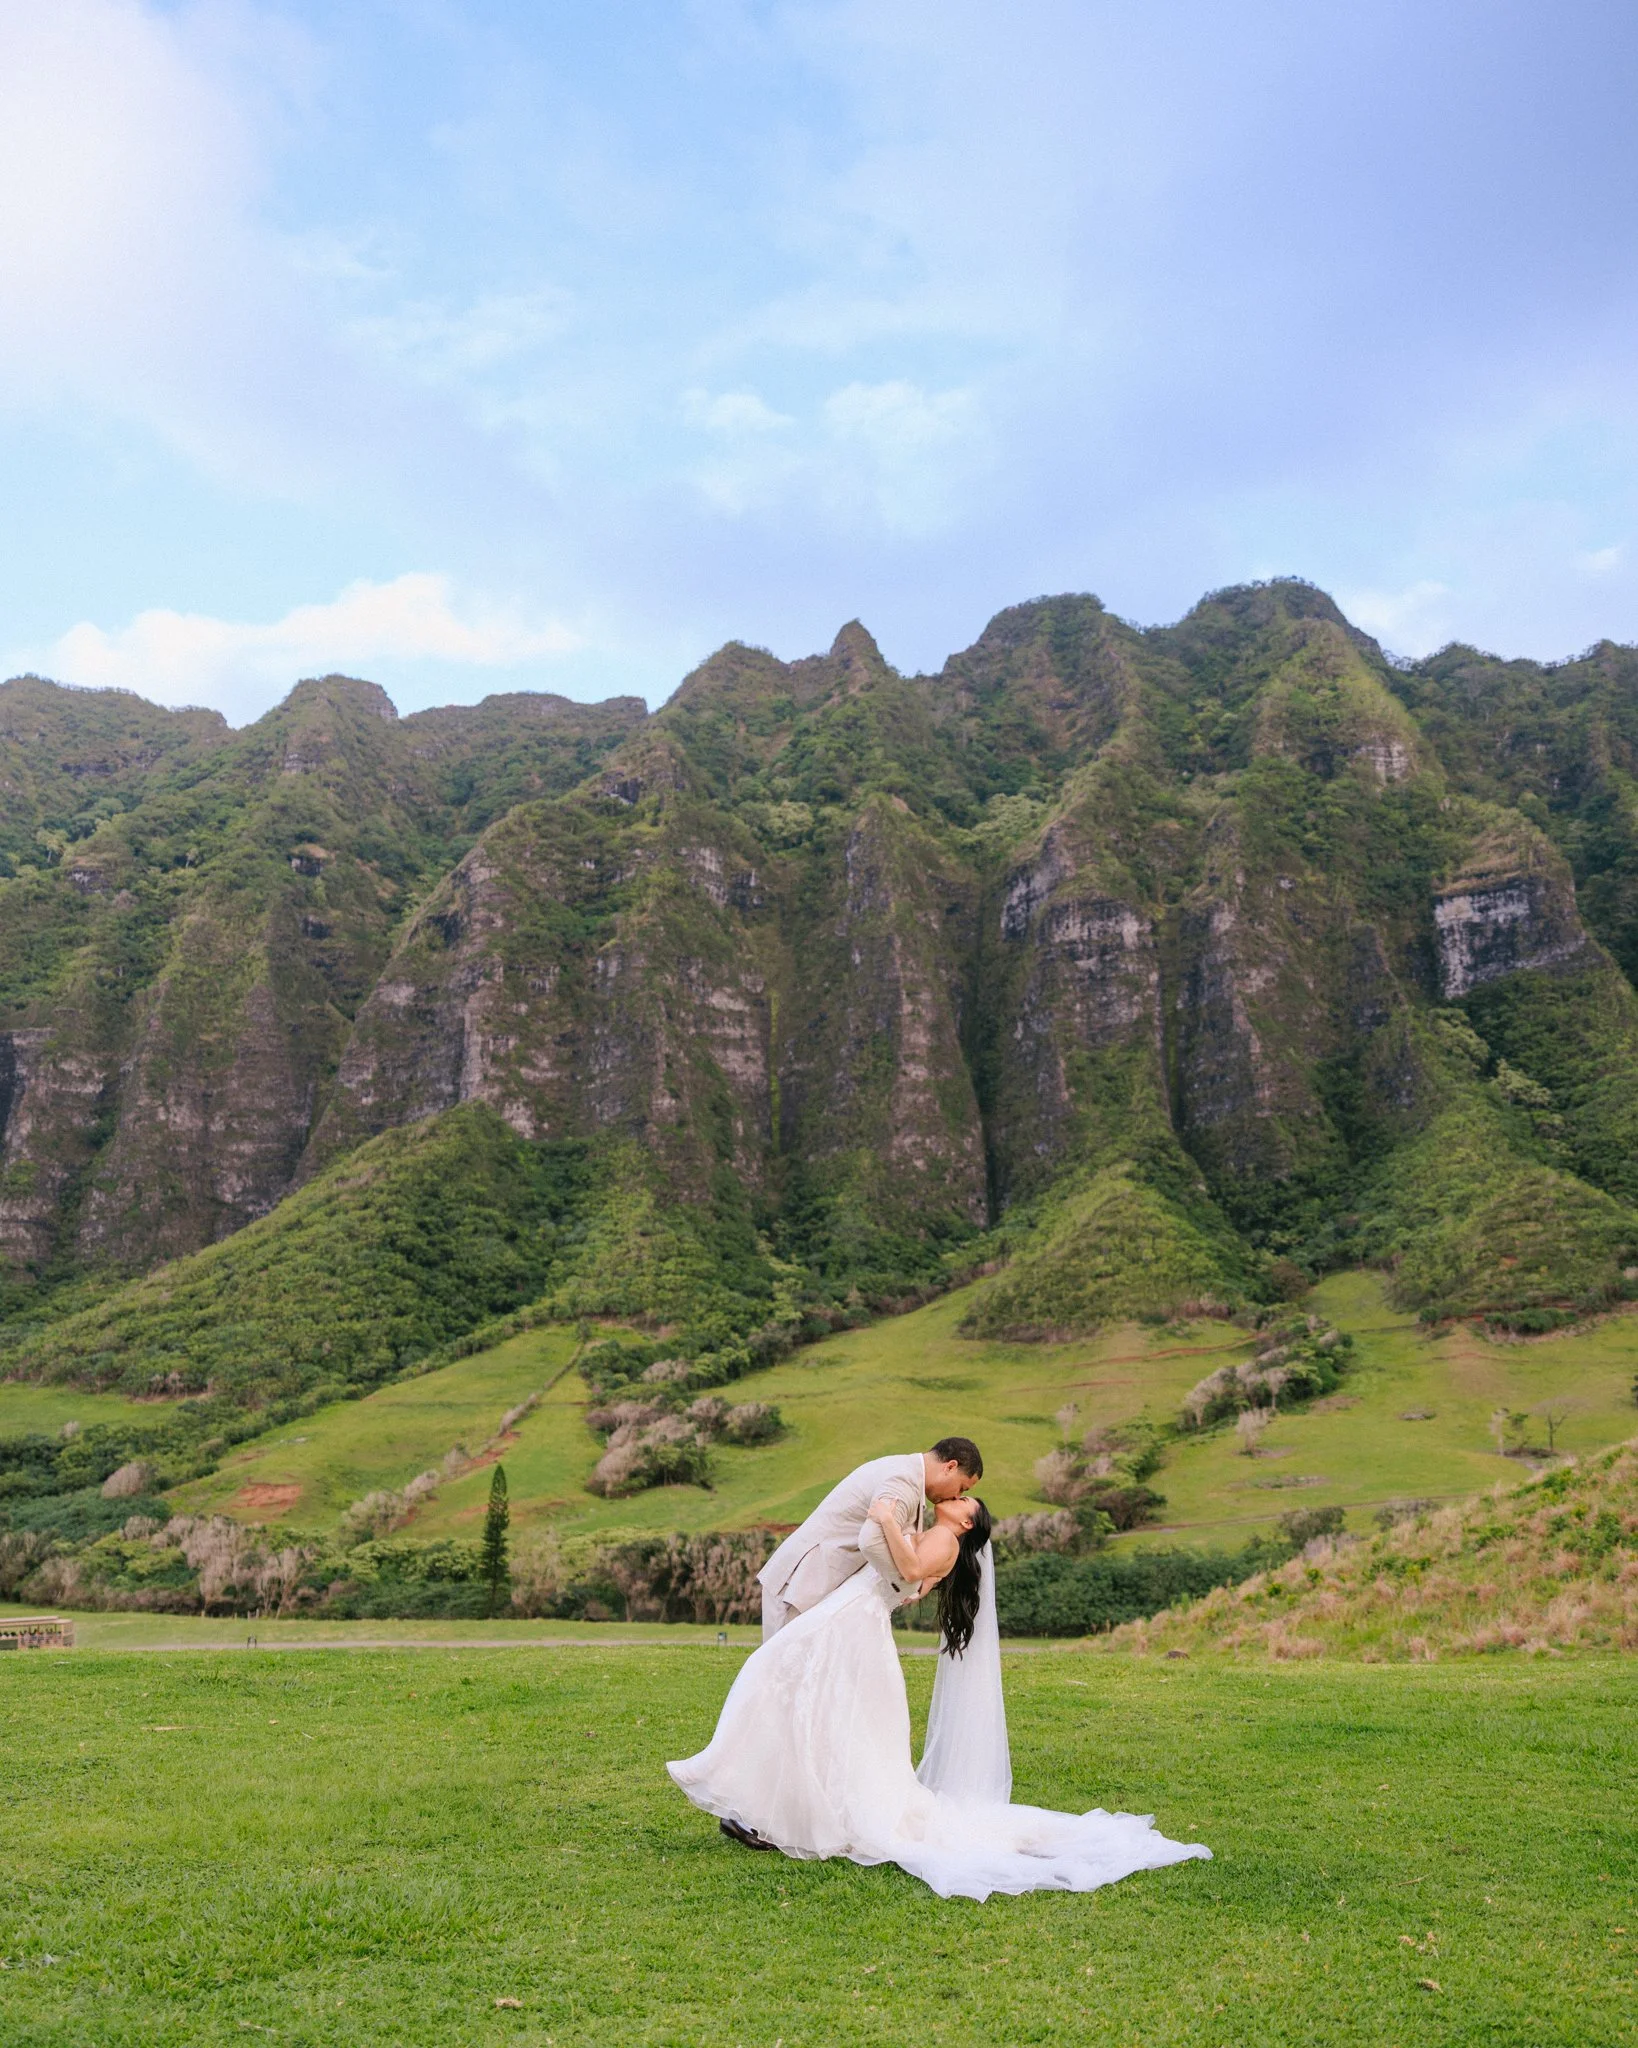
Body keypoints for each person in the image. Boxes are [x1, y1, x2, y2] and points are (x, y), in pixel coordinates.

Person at [668, 1481, 1211, 1901]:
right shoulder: (940, 1532)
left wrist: (884, 1517)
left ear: (968, 1521)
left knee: (779, 1679)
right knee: (789, 1687)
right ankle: (763, 1792)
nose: (958, 1498)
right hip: (849, 1618)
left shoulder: (948, 1541)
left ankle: (733, 1776)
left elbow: (906, 1574)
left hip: (856, 1622)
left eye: (967, 1500)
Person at [756, 1438, 982, 1641]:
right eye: (961, 1488)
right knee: (781, 1673)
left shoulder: (905, 1472)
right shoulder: (903, 1482)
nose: (956, 1496)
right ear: (950, 1467)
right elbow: (871, 1539)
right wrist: (905, 1585)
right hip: (802, 1581)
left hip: (816, 1583)